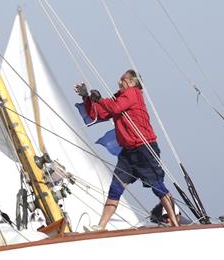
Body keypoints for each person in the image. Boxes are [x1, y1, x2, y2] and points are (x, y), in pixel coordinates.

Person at [75, 70, 178, 230]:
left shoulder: (133, 93)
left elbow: (116, 108)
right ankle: (101, 226)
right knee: (115, 188)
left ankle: (175, 224)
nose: (119, 81)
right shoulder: (119, 97)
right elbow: (98, 114)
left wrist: (100, 99)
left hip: (144, 148)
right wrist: (87, 98)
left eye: (122, 79)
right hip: (128, 152)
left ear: (131, 82)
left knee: (158, 187)